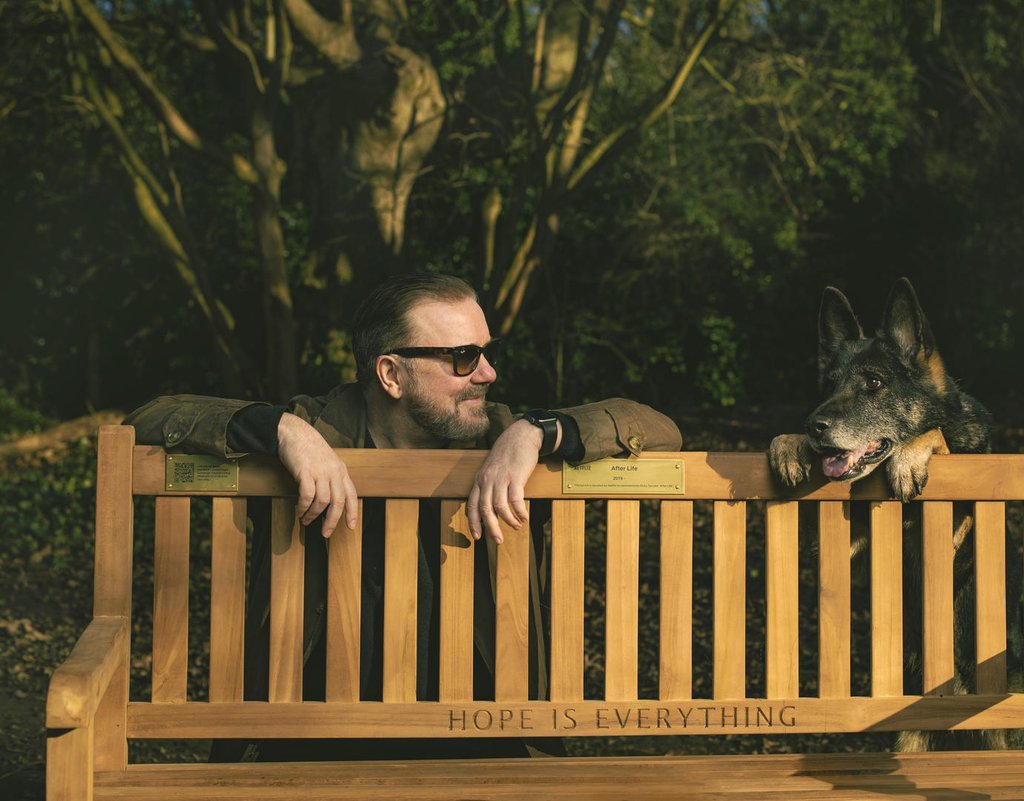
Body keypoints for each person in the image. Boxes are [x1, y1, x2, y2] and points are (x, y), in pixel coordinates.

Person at [124, 273, 681, 760]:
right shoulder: (313, 430)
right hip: (307, 738)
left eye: (488, 353)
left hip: (484, 740)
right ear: (390, 374)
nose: (487, 373)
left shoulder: (505, 436)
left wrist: (538, 429)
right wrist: (281, 430)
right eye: (463, 357)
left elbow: (657, 427)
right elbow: (150, 418)